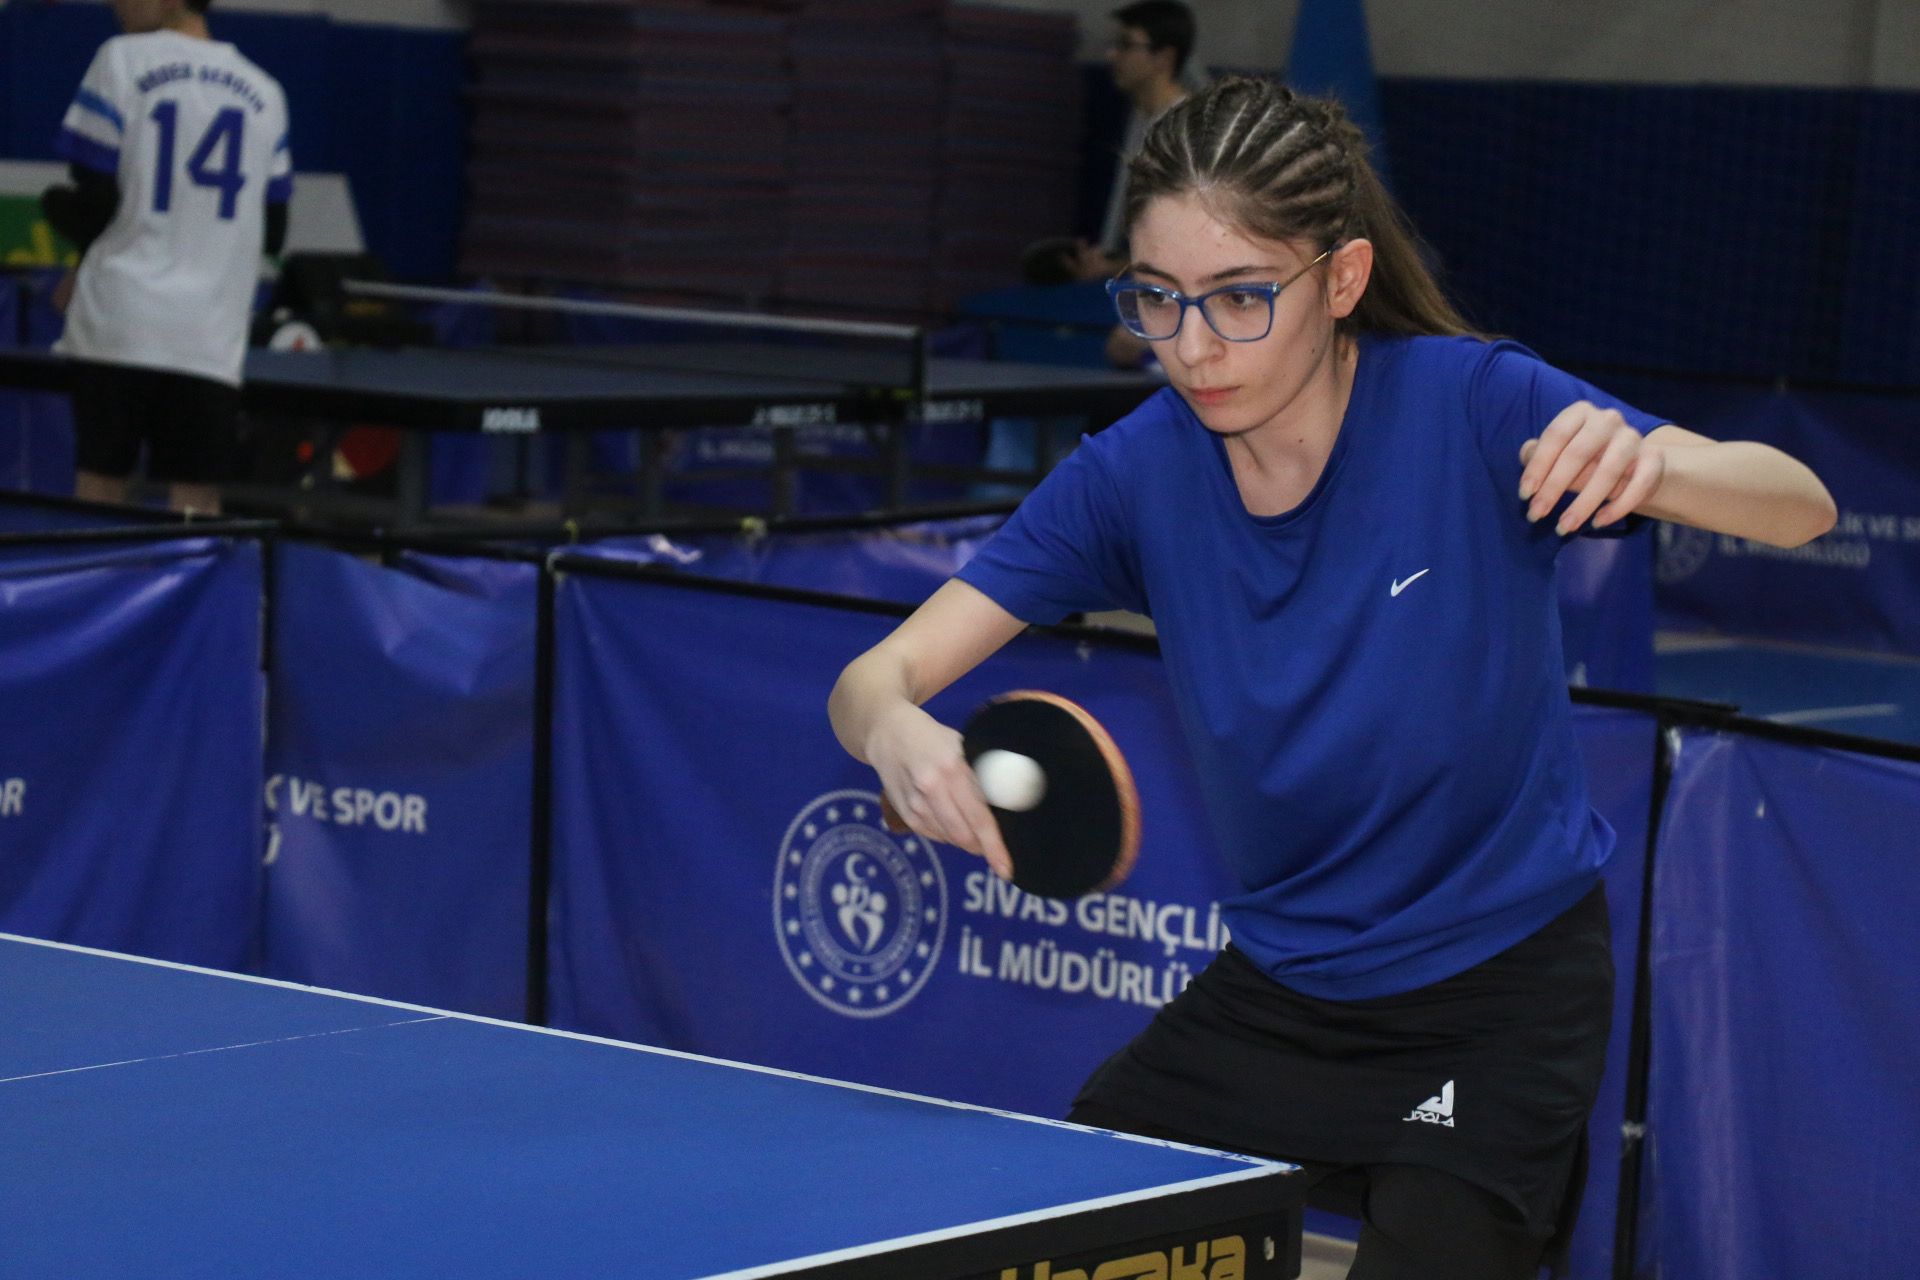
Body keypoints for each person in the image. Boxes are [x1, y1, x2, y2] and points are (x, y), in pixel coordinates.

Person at [830, 77, 1835, 1280]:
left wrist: (1655, 465)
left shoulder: (1475, 403)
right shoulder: (1133, 476)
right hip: (1287, 988)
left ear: (1343, 278)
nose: (1193, 346)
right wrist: (892, 727)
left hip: (1499, 997)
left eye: (1241, 296)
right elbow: (876, 674)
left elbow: (1799, 506)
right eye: (1157, 298)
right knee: (1079, 1212)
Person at [41, 0, 292, 515]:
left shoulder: (121, 59)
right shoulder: (266, 93)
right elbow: (275, 230)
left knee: (100, 492)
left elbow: (95, 201)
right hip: (208, 334)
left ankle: (95, 574)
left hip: (119, 323)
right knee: (197, 504)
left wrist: (55, 210)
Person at [1021, 0, 1195, 293]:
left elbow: (1187, 244)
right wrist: (1106, 262)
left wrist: (1115, 268)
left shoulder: (1186, 131)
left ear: (1163, 58)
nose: (1112, 55)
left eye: (1126, 45)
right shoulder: (1141, 118)